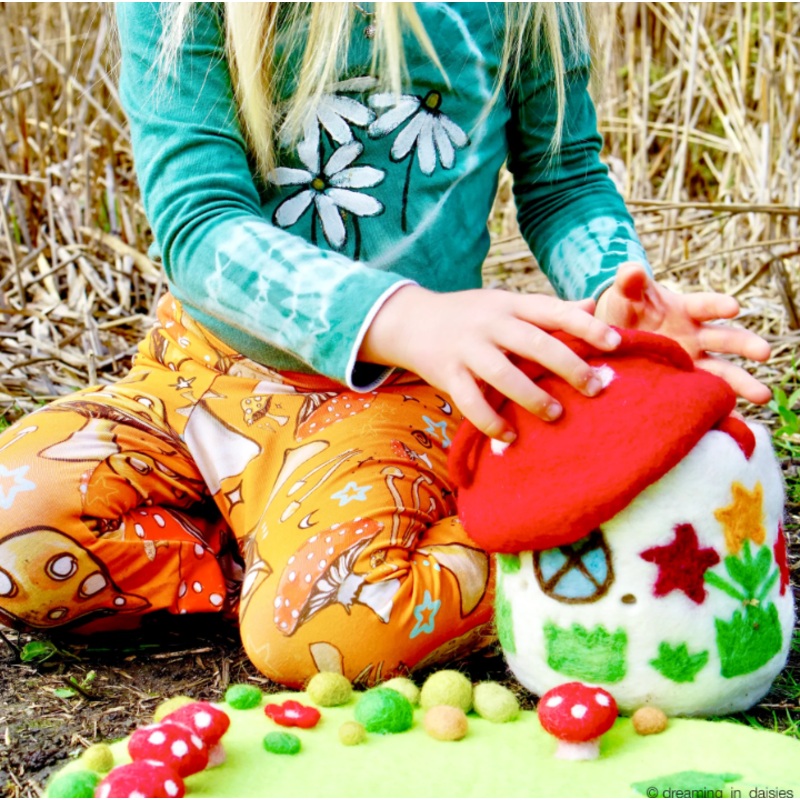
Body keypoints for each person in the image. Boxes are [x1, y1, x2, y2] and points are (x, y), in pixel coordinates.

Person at [0, 3, 770, 688]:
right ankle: (279, 552)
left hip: (394, 399)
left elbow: (563, 179)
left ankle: (517, 519)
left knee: (326, 637)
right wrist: (407, 313)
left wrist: (616, 292)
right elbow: (200, 225)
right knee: (17, 532)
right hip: (197, 378)